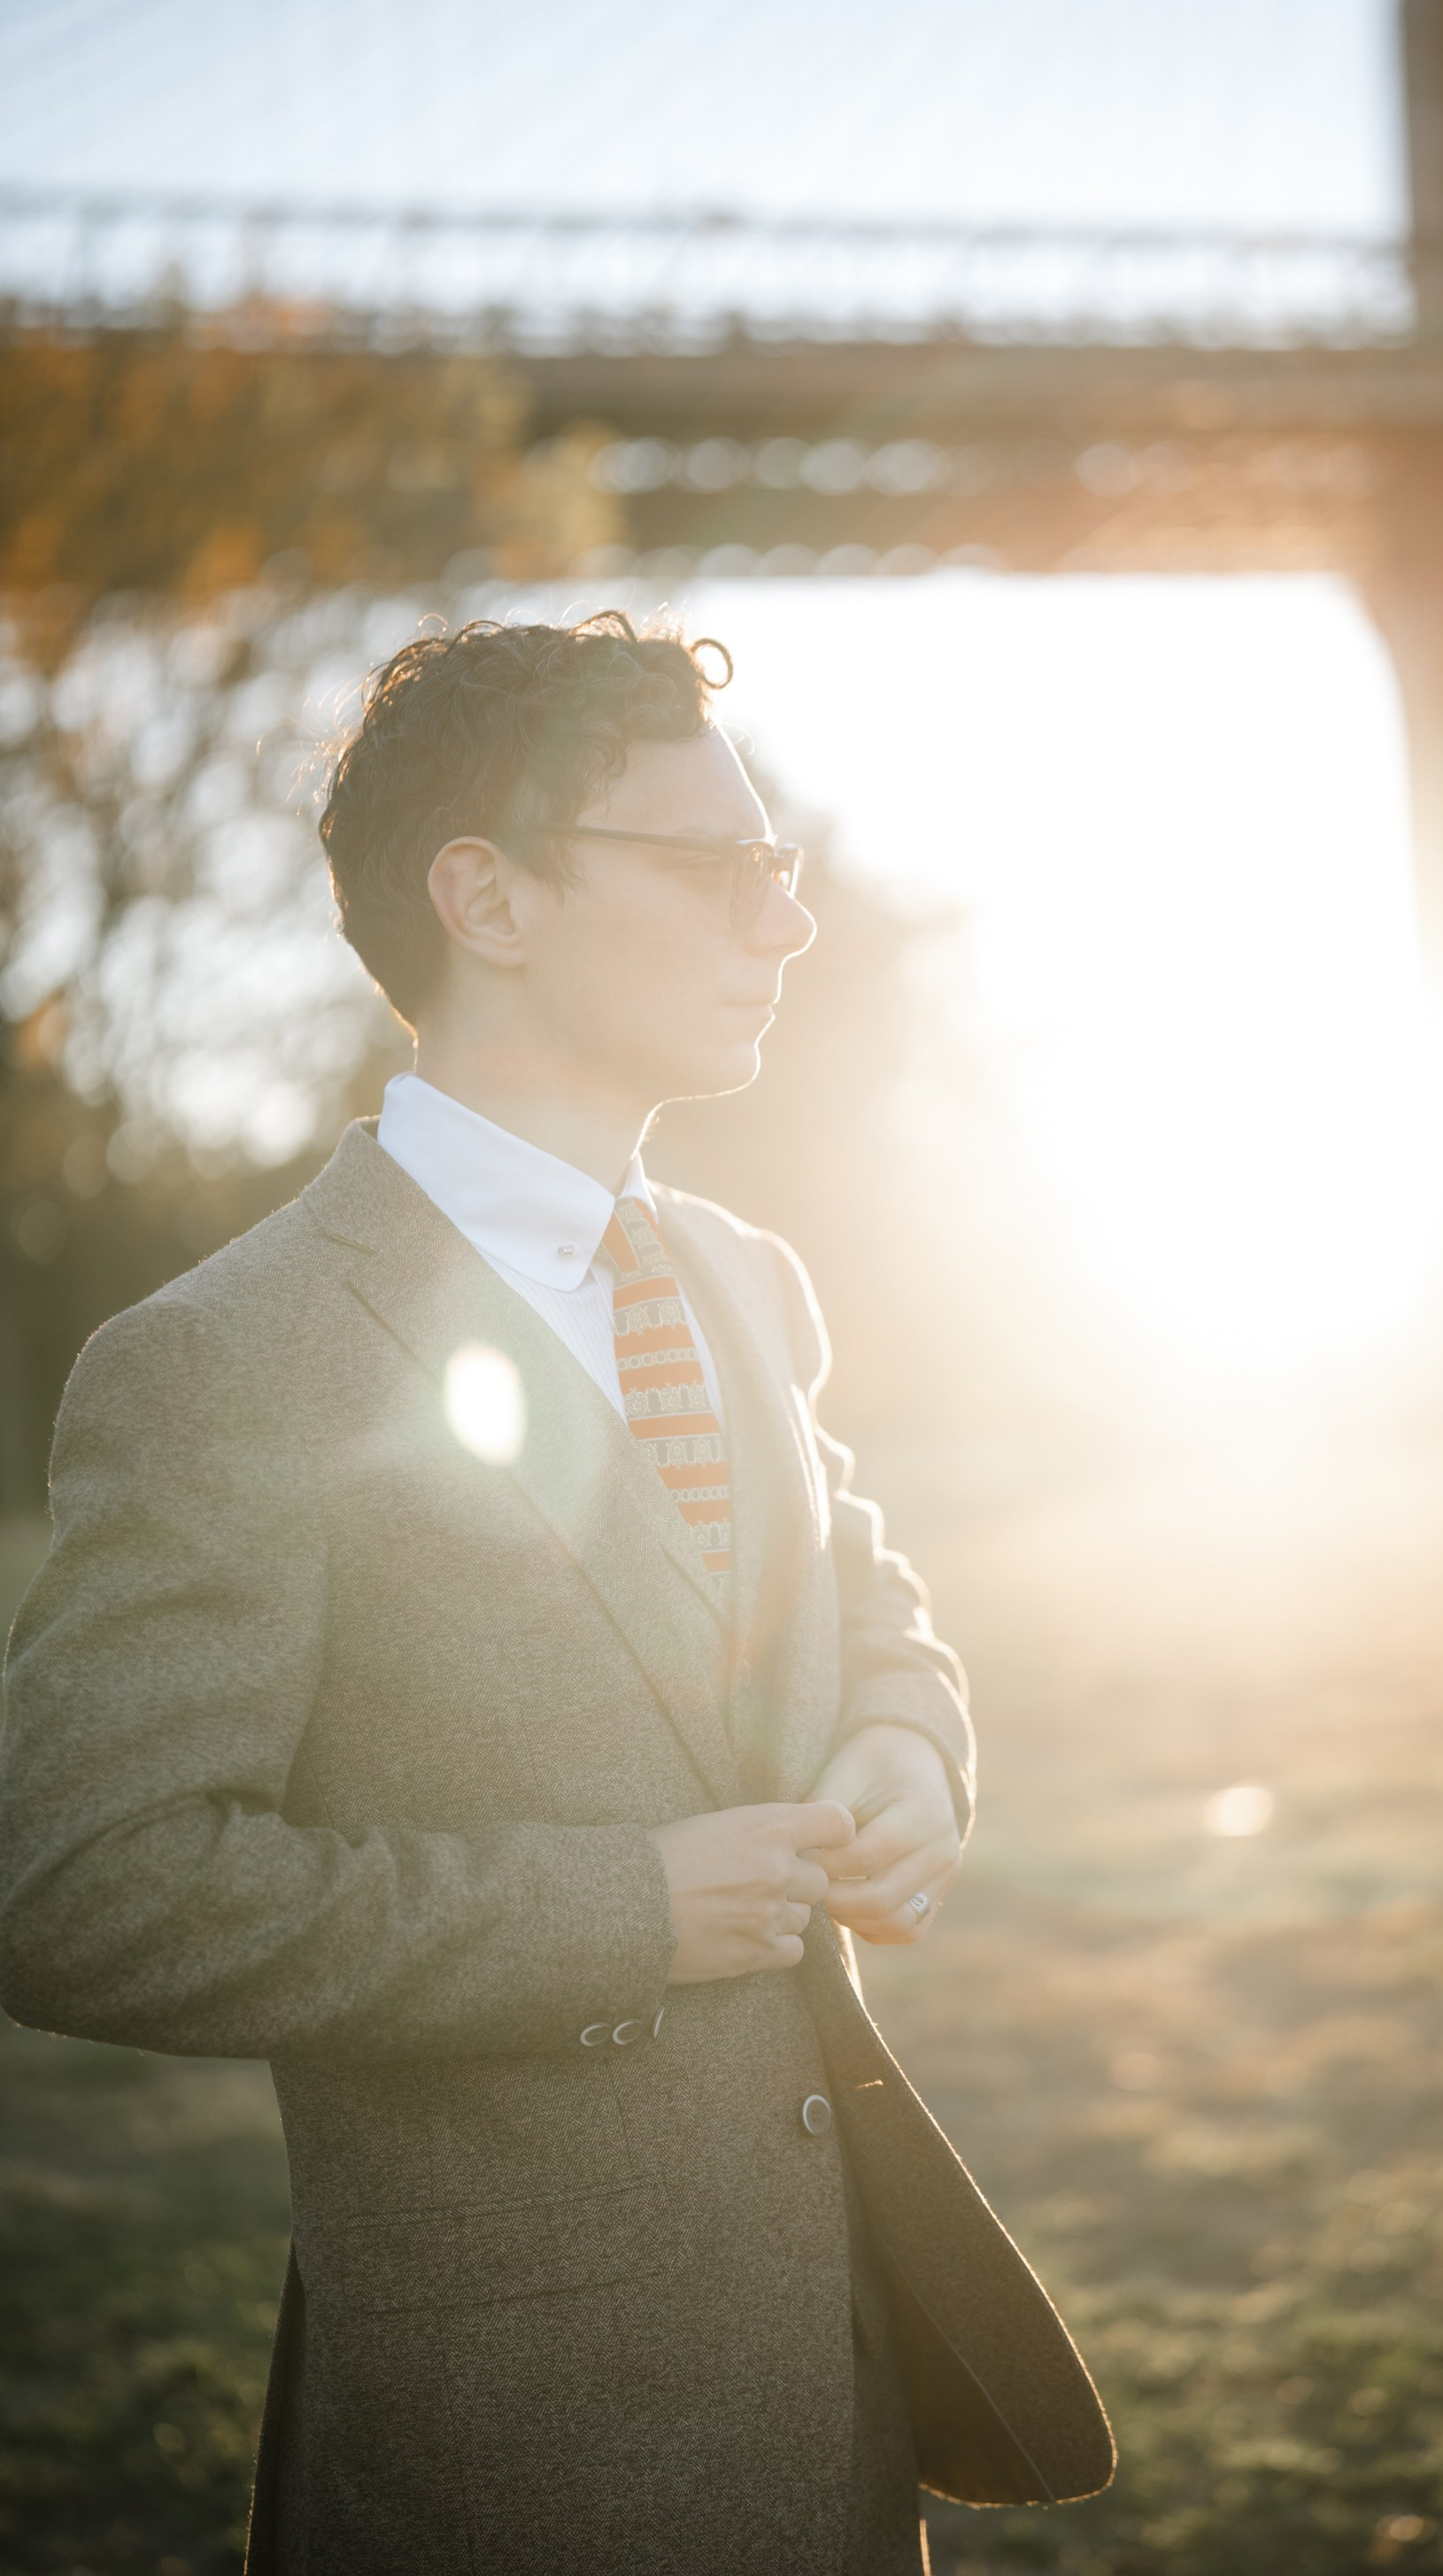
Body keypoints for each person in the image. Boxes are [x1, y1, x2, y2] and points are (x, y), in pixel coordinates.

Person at [0, 614, 1111, 2575]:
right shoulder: (222, 1362)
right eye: (719, 869)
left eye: (779, 871)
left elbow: (866, 1594)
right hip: (507, 2456)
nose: (785, 923)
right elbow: (78, 1888)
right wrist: (621, 1911)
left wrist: (908, 1743)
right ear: (486, 897)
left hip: (834, 2397)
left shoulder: (746, 1278)